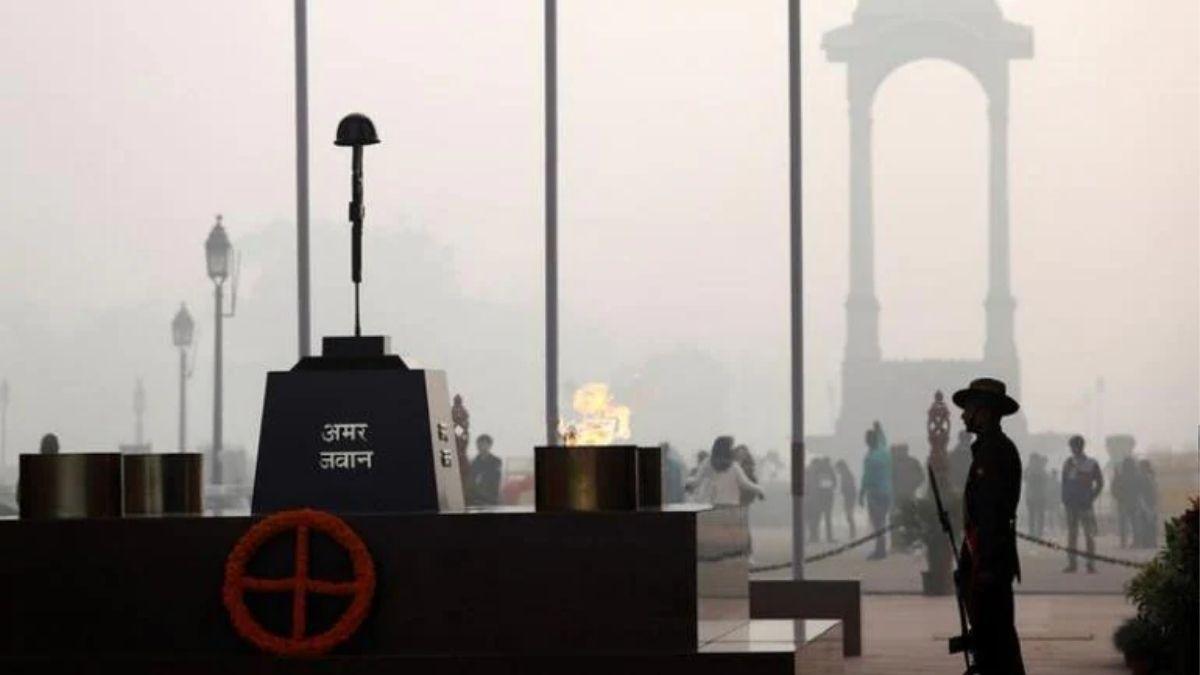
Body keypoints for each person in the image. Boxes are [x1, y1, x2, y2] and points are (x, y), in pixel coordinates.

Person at [952, 377, 1026, 675]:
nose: (962, 415)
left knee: (997, 637)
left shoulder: (995, 451)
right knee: (989, 636)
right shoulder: (988, 449)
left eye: (968, 408)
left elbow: (991, 513)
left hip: (990, 558)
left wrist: (983, 566)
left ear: (983, 411)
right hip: (985, 555)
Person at [1061, 434, 1104, 573]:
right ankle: (1072, 564)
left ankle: (1090, 564)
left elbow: (1100, 483)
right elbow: (1064, 483)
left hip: (1085, 504)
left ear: (1079, 447)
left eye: (1074, 446)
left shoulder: (1091, 463)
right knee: (1072, 535)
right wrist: (1065, 498)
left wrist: (1092, 497)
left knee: (1088, 535)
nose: (1073, 449)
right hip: (1071, 505)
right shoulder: (1068, 463)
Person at [686, 436, 764, 506]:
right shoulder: (734, 466)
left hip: (712, 505)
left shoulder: (707, 463)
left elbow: (696, 481)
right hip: (731, 506)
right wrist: (760, 490)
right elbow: (746, 484)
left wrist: (685, 483)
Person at [859, 422, 892, 560]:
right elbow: (883, 440)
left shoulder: (871, 458)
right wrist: (879, 429)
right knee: (881, 521)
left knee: (877, 522)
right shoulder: (883, 451)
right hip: (887, 491)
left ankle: (880, 550)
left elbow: (867, 478)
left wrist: (861, 494)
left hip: (875, 493)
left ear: (867, 442)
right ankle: (881, 548)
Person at [890, 443, 924, 550]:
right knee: (897, 518)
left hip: (907, 495)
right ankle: (898, 544)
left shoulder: (912, 462)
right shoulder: (895, 463)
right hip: (900, 495)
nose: (901, 452)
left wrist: (913, 485)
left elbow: (921, 477)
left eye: (902, 450)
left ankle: (906, 543)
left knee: (907, 518)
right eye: (900, 450)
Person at [805, 457, 837, 543]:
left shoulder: (812, 470)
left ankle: (814, 537)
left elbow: (810, 485)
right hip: (827, 498)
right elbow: (834, 484)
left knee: (815, 518)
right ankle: (829, 538)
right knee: (827, 519)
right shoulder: (829, 470)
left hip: (817, 498)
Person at [467, 434, 503, 507]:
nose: (481, 446)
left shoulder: (496, 461)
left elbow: (495, 479)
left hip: (491, 497)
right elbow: (472, 479)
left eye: (484, 444)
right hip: (475, 497)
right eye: (479, 444)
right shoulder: (474, 462)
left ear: (489, 445)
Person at [1111, 455, 1138, 548]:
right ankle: (1135, 541)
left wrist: (1119, 497)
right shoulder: (1136, 476)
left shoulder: (1120, 476)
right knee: (1134, 523)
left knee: (1123, 523)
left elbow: (1114, 489)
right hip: (1133, 502)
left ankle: (1124, 542)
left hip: (1123, 502)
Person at [1133, 459, 1159, 548]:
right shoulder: (1143, 477)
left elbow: (1154, 490)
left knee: (1150, 523)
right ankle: (1148, 543)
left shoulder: (1148, 476)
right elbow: (1140, 491)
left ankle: (1151, 542)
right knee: (1146, 523)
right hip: (1145, 502)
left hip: (1149, 502)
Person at [1022, 453, 1049, 539]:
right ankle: (1032, 532)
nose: (1033, 461)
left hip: (1039, 496)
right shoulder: (1029, 469)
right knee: (1032, 515)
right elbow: (1024, 478)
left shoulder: (1040, 469)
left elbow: (1045, 480)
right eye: (1032, 459)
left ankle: (1039, 532)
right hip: (1031, 496)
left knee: (1039, 515)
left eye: (1034, 459)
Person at [835, 459, 857, 539]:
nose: (837, 470)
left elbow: (848, 486)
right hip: (849, 497)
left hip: (849, 498)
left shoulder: (846, 475)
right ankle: (852, 532)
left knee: (849, 515)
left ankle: (852, 532)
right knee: (849, 515)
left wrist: (842, 491)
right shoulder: (847, 474)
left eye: (837, 468)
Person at [947, 430, 973, 496]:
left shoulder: (952, 454)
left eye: (967, 439)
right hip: (958, 487)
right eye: (964, 439)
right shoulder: (953, 455)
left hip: (967, 486)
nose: (966, 441)